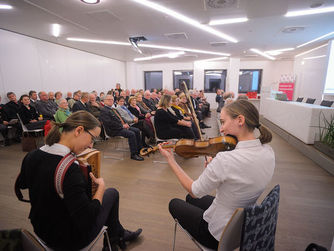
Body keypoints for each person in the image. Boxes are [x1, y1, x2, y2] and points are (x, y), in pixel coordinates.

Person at [16, 111, 142, 250]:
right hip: (68, 240)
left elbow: (23, 184)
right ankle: (113, 240)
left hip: (40, 230)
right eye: (92, 138)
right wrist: (100, 188)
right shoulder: (69, 169)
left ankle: (117, 235)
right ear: (79, 130)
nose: (90, 145)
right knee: (112, 193)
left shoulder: (32, 155)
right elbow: (88, 218)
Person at [159, 100, 275, 249]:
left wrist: (171, 160)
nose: (221, 129)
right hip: (242, 223)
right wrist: (214, 170)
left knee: (175, 202)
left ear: (240, 120)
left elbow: (194, 191)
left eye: (223, 122)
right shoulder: (268, 151)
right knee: (189, 199)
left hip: (217, 235)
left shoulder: (226, 159)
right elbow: (238, 180)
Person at [99, 95, 144, 161]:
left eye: (112, 99)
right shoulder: (104, 110)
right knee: (131, 134)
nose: (111, 101)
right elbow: (109, 123)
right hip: (113, 130)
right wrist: (122, 126)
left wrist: (124, 124)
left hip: (119, 127)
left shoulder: (112, 109)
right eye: (109, 99)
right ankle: (134, 154)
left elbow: (119, 119)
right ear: (104, 101)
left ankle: (139, 149)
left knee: (136, 130)